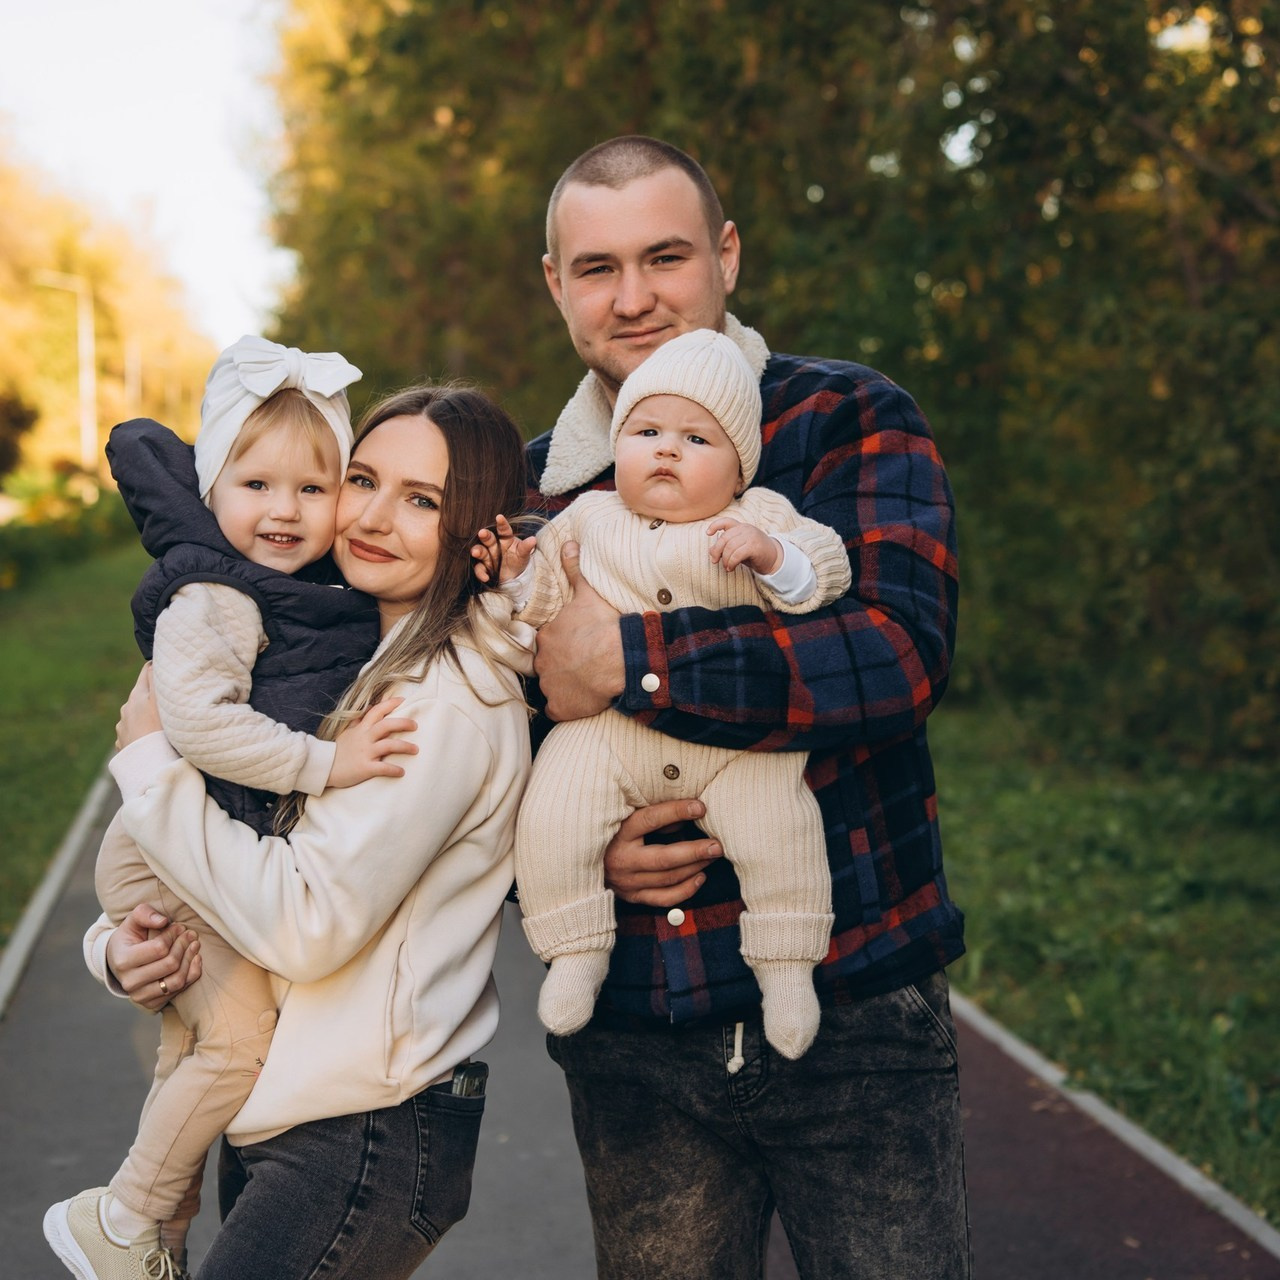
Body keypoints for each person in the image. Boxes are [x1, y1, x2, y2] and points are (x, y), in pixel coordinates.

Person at [525, 136, 969, 1278]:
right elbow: (479, 722)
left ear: (724, 256)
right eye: (595, 267)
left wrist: (629, 660)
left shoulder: (845, 417)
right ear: (555, 284)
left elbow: (894, 652)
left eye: (664, 256)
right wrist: (578, 830)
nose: (633, 298)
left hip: (855, 1003)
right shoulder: (534, 489)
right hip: (633, 1030)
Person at [67, 385, 534, 1280]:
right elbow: (237, 867)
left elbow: (301, 924)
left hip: (362, 1128)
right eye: (362, 479)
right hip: (287, 1107)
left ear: (475, 523)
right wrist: (115, 949)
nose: (373, 516)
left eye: (423, 500)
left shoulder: (440, 701)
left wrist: (152, 771)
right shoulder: (350, 653)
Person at [46, 336, 419, 1280]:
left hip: (178, 845)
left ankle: (159, 1247)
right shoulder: (217, 596)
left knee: (197, 1039)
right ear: (212, 490)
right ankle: (123, 1216)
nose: (284, 512)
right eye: (255, 486)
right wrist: (327, 764)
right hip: (158, 848)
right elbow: (202, 728)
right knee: (241, 1036)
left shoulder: (292, 594)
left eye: (311, 487)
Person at [476, 327, 850, 1058]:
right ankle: (575, 949)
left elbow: (825, 574)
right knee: (554, 810)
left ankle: (787, 965)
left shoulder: (758, 516)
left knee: (782, 828)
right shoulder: (585, 519)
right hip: (608, 733)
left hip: (735, 746)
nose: (668, 450)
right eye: (647, 431)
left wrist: (772, 559)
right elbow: (542, 611)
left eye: (697, 439)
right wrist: (518, 577)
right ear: (618, 446)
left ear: (739, 470)